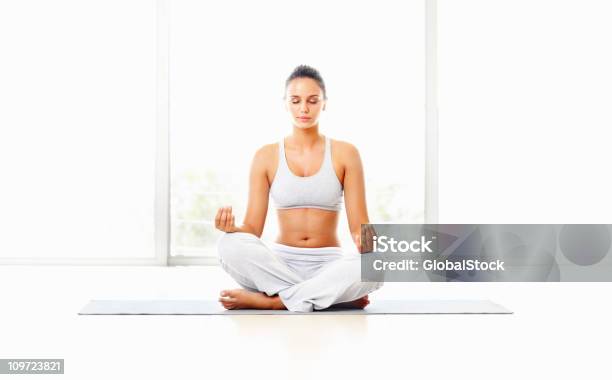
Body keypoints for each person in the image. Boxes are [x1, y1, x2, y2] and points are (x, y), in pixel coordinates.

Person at [215, 65, 383, 312]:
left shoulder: (346, 154)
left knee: (376, 264)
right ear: (285, 103)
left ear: (324, 103)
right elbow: (252, 229)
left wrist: (367, 241)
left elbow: (360, 226)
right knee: (227, 244)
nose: (304, 108)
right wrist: (232, 229)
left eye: (312, 101)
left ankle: (275, 301)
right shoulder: (266, 156)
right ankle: (329, 296)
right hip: (280, 265)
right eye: (296, 101)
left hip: (328, 264)